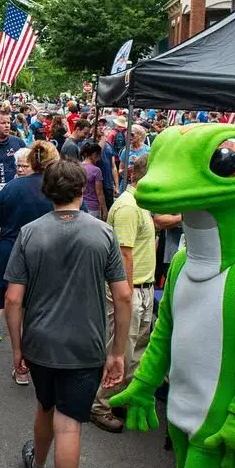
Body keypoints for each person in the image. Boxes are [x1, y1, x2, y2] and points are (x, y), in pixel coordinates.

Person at [4, 160, 131, 468]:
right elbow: (123, 295)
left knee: (45, 406)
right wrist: (118, 352)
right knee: (69, 422)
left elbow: (12, 298)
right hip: (86, 345)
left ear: (47, 192)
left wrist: (17, 347)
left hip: (41, 343)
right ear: (82, 190)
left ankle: (38, 463)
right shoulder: (102, 233)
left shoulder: (29, 234)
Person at [90, 154, 156, 432]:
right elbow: (124, 254)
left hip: (143, 287)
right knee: (121, 349)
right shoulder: (129, 207)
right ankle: (100, 405)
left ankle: (118, 397)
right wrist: (126, 297)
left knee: (135, 350)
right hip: (131, 290)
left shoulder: (141, 204)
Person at [0, 141, 60, 352]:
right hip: (49, 251)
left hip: (13, 248)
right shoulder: (58, 189)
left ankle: (20, 355)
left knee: (13, 300)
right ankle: (38, 352)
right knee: (42, 305)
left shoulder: (13, 187)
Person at [80, 141, 106, 219]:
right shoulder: (96, 170)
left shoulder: (78, 167)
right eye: (99, 155)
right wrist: (104, 209)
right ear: (95, 154)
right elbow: (99, 193)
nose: (99, 158)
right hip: (93, 207)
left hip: (80, 205)